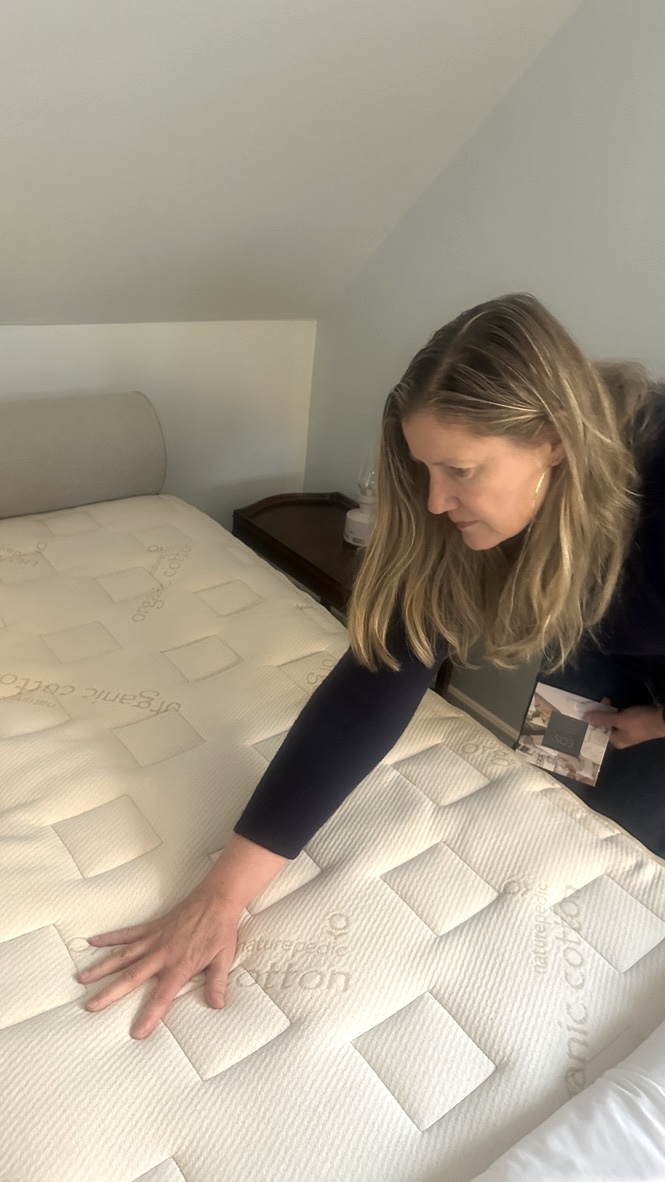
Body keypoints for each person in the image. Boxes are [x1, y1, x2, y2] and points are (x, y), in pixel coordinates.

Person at [76, 293, 665, 1039]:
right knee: (579, 806)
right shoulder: (475, 508)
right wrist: (222, 896)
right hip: (616, 636)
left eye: (458, 471)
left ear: (551, 438)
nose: (435, 500)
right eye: (424, 470)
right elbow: (375, 680)